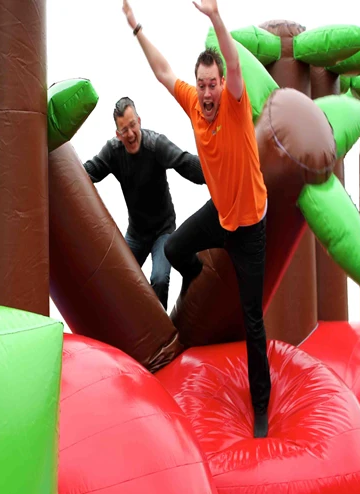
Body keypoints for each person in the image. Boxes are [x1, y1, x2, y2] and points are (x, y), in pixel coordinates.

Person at [121, 0, 271, 437]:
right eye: (201, 85)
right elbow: (163, 71)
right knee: (172, 248)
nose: (206, 93)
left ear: (223, 85)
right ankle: (197, 273)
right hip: (220, 215)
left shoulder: (235, 105)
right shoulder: (192, 104)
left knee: (253, 320)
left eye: (212, 85)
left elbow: (235, 64)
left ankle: (261, 409)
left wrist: (215, 17)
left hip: (250, 228)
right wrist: (137, 27)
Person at [83, 97, 206, 310]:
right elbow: (87, 173)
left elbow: (184, 162)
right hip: (137, 234)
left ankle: (158, 328)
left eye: (133, 125)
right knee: (116, 280)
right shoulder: (113, 151)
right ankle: (124, 324)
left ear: (139, 121)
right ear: (117, 134)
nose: (130, 134)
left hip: (163, 230)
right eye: (124, 130)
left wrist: (216, 173)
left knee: (159, 279)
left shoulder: (155, 145)